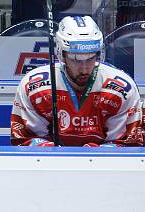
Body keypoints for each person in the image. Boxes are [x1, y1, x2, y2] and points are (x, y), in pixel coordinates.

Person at [11, 15, 142, 147]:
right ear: (61, 53)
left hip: (103, 166)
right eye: (75, 59)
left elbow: (127, 145)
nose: (84, 69)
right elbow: (24, 141)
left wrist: (90, 156)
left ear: (99, 54)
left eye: (90, 58)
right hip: (50, 165)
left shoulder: (122, 89)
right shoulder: (34, 86)